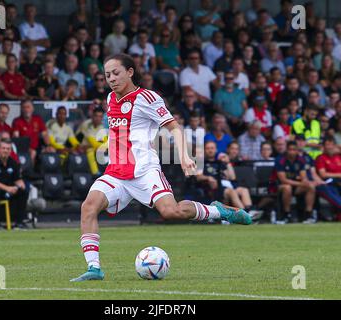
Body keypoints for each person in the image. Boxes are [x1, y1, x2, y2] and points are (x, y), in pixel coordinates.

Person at [71, 53, 254, 282]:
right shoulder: (110, 99)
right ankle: (94, 269)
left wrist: (185, 157)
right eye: (107, 75)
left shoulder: (147, 98)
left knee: (171, 212)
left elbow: (174, 128)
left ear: (130, 72)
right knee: (88, 207)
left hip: (145, 171)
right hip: (116, 173)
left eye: (116, 73)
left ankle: (219, 211)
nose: (111, 79)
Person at [196, 141, 262, 215]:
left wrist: (227, 163)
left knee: (244, 190)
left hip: (227, 186)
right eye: (208, 148)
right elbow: (198, 177)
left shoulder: (220, 162)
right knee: (231, 191)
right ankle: (245, 214)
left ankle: (249, 210)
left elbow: (232, 177)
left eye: (212, 148)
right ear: (204, 150)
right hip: (214, 188)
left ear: (216, 149)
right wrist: (208, 178)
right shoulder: (201, 162)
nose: (210, 150)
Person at [0, 139, 29, 229]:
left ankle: (19, 223)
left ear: (10, 151)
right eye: (3, 148)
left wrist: (20, 185)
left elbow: (17, 179)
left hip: (5, 189)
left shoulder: (13, 162)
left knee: (23, 191)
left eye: (8, 149)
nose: (6, 151)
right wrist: (7, 188)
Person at [275, 141, 316, 224]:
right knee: (287, 188)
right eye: (290, 150)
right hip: (279, 186)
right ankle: (287, 214)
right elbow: (283, 180)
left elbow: (303, 176)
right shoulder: (280, 160)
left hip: (296, 186)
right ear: (286, 150)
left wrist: (305, 181)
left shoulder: (300, 160)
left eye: (294, 150)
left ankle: (308, 215)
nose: (292, 152)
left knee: (311, 186)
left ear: (297, 150)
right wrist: (300, 183)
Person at [12, 100, 53, 164]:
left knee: (52, 150)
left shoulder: (38, 119)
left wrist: (49, 145)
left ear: (33, 108)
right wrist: (27, 148)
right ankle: (29, 172)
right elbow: (16, 138)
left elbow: (44, 134)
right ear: (21, 109)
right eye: (24, 107)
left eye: (28, 107)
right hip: (24, 148)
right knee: (32, 153)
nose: (26, 109)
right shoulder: (17, 121)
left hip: (37, 147)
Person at [75, 107, 107, 176]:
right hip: (81, 147)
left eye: (100, 116)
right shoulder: (86, 125)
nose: (98, 118)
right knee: (90, 151)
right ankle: (95, 173)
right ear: (92, 116)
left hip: (93, 147)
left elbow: (105, 142)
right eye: (96, 116)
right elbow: (92, 142)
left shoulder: (101, 127)